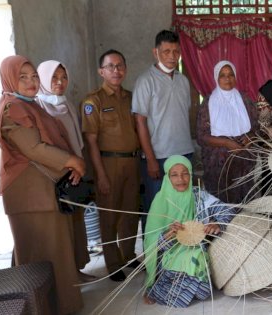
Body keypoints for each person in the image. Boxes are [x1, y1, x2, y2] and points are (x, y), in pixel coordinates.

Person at [0, 55, 85, 314]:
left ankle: (56, 306)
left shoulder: (29, 105)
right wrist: (72, 161)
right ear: (10, 79)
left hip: (44, 192)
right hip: (31, 196)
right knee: (43, 258)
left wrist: (70, 166)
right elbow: (34, 148)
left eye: (33, 76)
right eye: (22, 77)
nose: (31, 81)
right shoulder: (13, 108)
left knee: (53, 254)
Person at [143, 155, 236, 307]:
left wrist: (217, 223)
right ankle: (156, 288)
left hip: (195, 247)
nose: (181, 179)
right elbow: (150, 240)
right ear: (167, 177)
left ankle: (181, 288)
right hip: (168, 252)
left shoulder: (198, 195)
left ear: (191, 174)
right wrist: (167, 236)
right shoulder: (160, 200)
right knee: (194, 264)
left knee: (203, 292)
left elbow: (226, 210)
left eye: (185, 173)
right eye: (174, 175)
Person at [82, 49, 140, 282]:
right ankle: (113, 263)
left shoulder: (131, 97)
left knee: (130, 212)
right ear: (101, 71)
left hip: (132, 162)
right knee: (109, 215)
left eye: (120, 66)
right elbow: (91, 141)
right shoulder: (92, 101)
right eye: (110, 66)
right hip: (108, 163)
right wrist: (101, 175)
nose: (116, 70)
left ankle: (128, 255)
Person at [36, 60, 96, 282]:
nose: (60, 82)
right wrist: (69, 165)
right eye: (54, 78)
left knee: (75, 223)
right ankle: (65, 274)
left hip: (75, 172)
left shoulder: (67, 104)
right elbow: (45, 146)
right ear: (43, 79)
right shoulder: (40, 107)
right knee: (61, 228)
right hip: (56, 175)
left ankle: (76, 268)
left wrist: (79, 165)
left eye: (63, 77)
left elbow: (76, 140)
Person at [132, 30, 194, 230]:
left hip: (184, 153)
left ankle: (180, 255)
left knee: (182, 208)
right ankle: (154, 257)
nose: (171, 56)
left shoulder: (183, 81)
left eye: (176, 52)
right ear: (155, 52)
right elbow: (140, 121)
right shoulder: (145, 81)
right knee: (157, 209)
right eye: (166, 51)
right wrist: (150, 159)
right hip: (158, 157)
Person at [196, 61, 258, 203]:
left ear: (235, 77)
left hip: (244, 163)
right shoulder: (208, 103)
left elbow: (256, 127)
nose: (227, 79)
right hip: (218, 165)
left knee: (245, 200)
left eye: (231, 75)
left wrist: (249, 137)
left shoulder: (245, 100)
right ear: (216, 78)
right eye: (222, 75)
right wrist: (226, 142)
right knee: (222, 201)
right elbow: (201, 136)